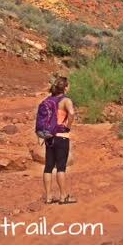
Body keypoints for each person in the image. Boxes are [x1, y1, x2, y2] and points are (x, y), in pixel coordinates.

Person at [43, 76, 77, 204]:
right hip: (61, 136)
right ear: (65, 87)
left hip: (49, 136)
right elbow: (72, 113)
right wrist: (67, 126)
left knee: (48, 167)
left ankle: (48, 197)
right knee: (61, 167)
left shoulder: (48, 100)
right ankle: (63, 197)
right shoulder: (66, 100)